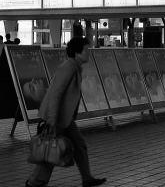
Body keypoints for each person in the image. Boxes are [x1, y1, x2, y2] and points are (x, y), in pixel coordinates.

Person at [26, 37, 107, 187]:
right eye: (86, 50)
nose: (89, 53)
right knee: (50, 149)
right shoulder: (68, 67)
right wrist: (52, 119)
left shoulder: (74, 67)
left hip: (65, 118)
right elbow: (56, 93)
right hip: (57, 117)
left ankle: (87, 178)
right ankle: (34, 182)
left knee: (79, 145)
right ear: (77, 53)